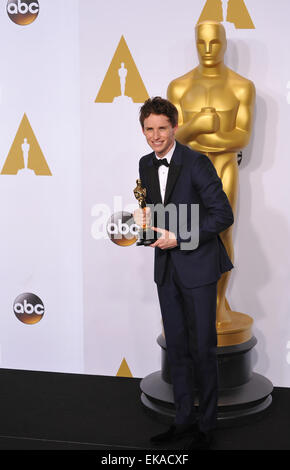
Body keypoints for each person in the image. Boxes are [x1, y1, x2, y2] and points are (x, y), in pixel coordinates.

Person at [134, 96, 234, 450]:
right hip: (166, 270)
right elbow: (153, 210)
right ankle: (182, 421)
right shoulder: (146, 164)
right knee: (176, 347)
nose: (156, 136)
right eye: (149, 129)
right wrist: (146, 225)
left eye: (162, 128)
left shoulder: (197, 162)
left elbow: (222, 215)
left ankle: (206, 426)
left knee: (203, 348)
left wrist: (179, 237)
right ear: (143, 130)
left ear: (174, 127)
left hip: (199, 267)